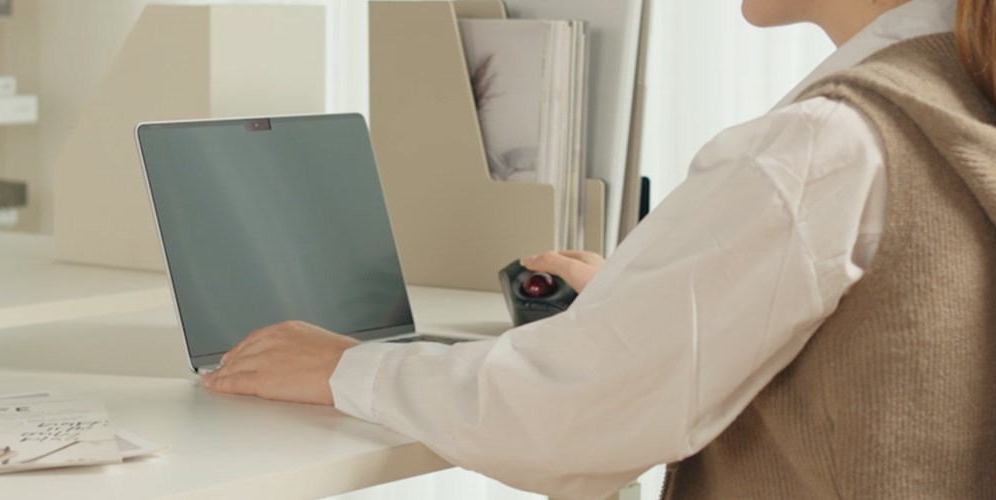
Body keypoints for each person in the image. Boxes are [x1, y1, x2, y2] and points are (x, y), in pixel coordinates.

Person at [202, 0, 996, 497]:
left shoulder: (825, 145)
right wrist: (650, 298)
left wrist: (342, 367)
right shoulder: (959, 94)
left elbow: (572, 417)